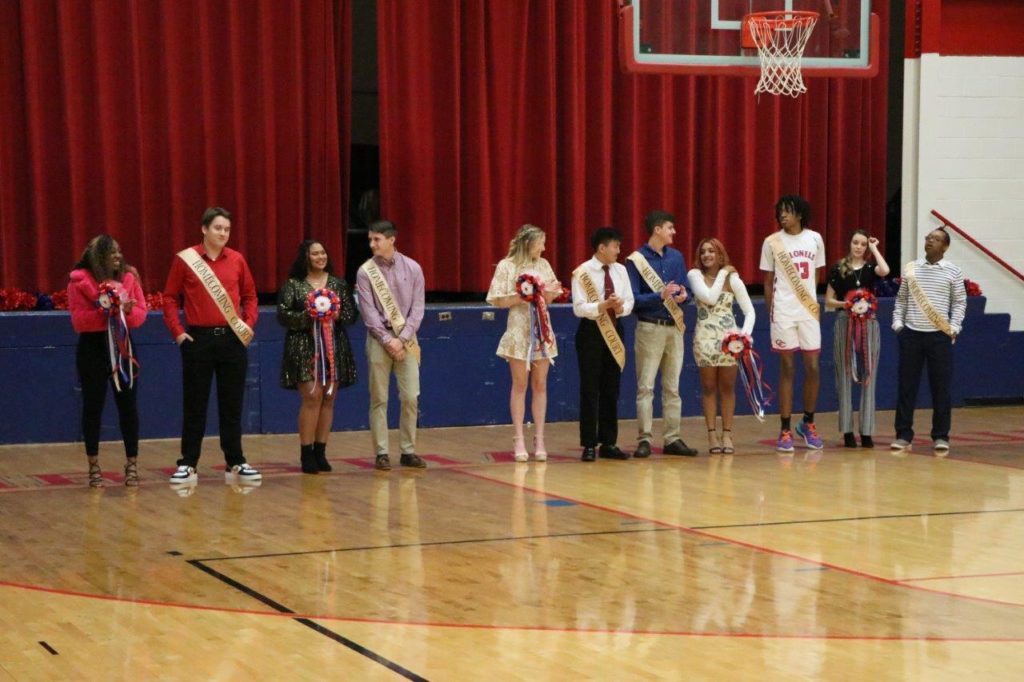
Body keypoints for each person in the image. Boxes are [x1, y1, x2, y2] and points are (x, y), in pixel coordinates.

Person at [162, 207, 261, 486]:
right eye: (218, 228)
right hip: (198, 340)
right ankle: (188, 463)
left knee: (232, 404)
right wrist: (178, 332)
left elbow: (250, 296)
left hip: (232, 339)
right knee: (195, 404)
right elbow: (169, 298)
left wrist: (248, 324)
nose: (223, 233)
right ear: (204, 229)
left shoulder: (237, 260)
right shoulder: (186, 259)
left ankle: (235, 461)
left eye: (227, 229)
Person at [68, 235, 148, 487]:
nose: (118, 256)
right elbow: (79, 321)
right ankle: (93, 465)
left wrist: (127, 312)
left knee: (128, 407)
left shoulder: (129, 278)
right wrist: (108, 312)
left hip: (123, 347)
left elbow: (140, 314)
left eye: (119, 251)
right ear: (98, 256)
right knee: (93, 407)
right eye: (111, 252)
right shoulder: (79, 282)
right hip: (92, 349)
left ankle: (132, 464)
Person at [277, 240, 358, 474]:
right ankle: (306, 452)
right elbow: (283, 315)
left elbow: (351, 315)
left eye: (323, 253)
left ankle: (321, 452)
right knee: (312, 397)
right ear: (305, 257)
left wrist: (336, 313)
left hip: (334, 346)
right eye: (315, 254)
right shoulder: (293, 285)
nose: (320, 257)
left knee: (328, 397)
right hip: (303, 347)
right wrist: (310, 314)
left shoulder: (338, 284)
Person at [486, 224, 562, 462]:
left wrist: (549, 293)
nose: (544, 248)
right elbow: (496, 299)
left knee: (540, 384)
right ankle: (518, 437)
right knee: (520, 384)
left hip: (541, 329)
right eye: (541, 243)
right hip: (519, 329)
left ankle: (539, 438)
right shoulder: (507, 265)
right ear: (528, 243)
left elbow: (551, 296)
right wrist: (522, 296)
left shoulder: (543, 265)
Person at [626, 210, 698, 458]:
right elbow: (633, 299)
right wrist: (660, 295)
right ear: (657, 230)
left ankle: (672, 438)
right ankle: (644, 439)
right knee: (646, 387)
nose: (673, 232)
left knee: (673, 387)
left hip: (674, 327)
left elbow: (686, 290)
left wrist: (684, 295)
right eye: (670, 228)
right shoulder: (636, 260)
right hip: (649, 327)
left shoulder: (676, 257)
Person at [356, 219, 426, 471]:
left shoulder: (413, 268)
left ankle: (408, 450)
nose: (372, 244)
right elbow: (368, 313)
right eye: (370, 240)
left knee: (410, 397)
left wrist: (402, 339)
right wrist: (388, 341)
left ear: (391, 239)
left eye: (377, 239)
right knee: (379, 398)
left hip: (407, 340)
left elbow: (417, 309)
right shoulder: (365, 272)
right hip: (379, 340)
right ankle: (382, 452)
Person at [760, 195, 827, 452]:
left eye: (787, 211)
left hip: (808, 311)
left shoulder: (815, 239)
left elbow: (816, 274)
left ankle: (808, 423)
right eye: (780, 212)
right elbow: (768, 282)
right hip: (783, 312)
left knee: (813, 366)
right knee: (787, 367)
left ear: (800, 214)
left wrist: (808, 300)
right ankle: (785, 428)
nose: (783, 215)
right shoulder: (771, 242)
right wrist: (772, 312)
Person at [891, 228, 966, 453]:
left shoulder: (954, 271)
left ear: (945, 246)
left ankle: (941, 436)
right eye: (928, 238)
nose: (930, 241)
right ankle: (903, 435)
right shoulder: (912, 269)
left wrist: (954, 328)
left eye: (936, 239)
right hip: (911, 335)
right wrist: (898, 325)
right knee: (906, 387)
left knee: (941, 388)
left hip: (939, 337)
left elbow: (959, 302)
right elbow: (901, 300)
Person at [686, 238, 755, 454]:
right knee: (708, 387)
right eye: (703, 251)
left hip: (729, 342)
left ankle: (727, 434)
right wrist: (724, 273)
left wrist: (742, 337)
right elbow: (709, 297)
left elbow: (750, 311)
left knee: (727, 387)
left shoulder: (733, 279)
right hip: (705, 340)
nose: (707, 255)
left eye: (711, 251)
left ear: (719, 254)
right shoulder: (695, 275)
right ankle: (711, 435)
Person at [572, 227, 634, 462]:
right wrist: (601, 306)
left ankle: (609, 442)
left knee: (611, 388)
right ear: (601, 248)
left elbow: (629, 300)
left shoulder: (621, 270)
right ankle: (589, 444)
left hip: (615, 329)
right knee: (590, 388)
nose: (618, 250)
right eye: (615, 246)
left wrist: (620, 306)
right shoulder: (582, 272)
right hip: (591, 332)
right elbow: (579, 308)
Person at [824, 230, 890, 448]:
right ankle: (847, 430)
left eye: (863, 244)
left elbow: (885, 270)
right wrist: (847, 304)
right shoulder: (839, 268)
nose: (859, 247)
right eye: (856, 242)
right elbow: (829, 301)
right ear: (850, 244)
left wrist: (874, 248)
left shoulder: (870, 269)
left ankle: (867, 430)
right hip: (845, 322)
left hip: (868, 323)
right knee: (844, 374)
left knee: (869, 373)